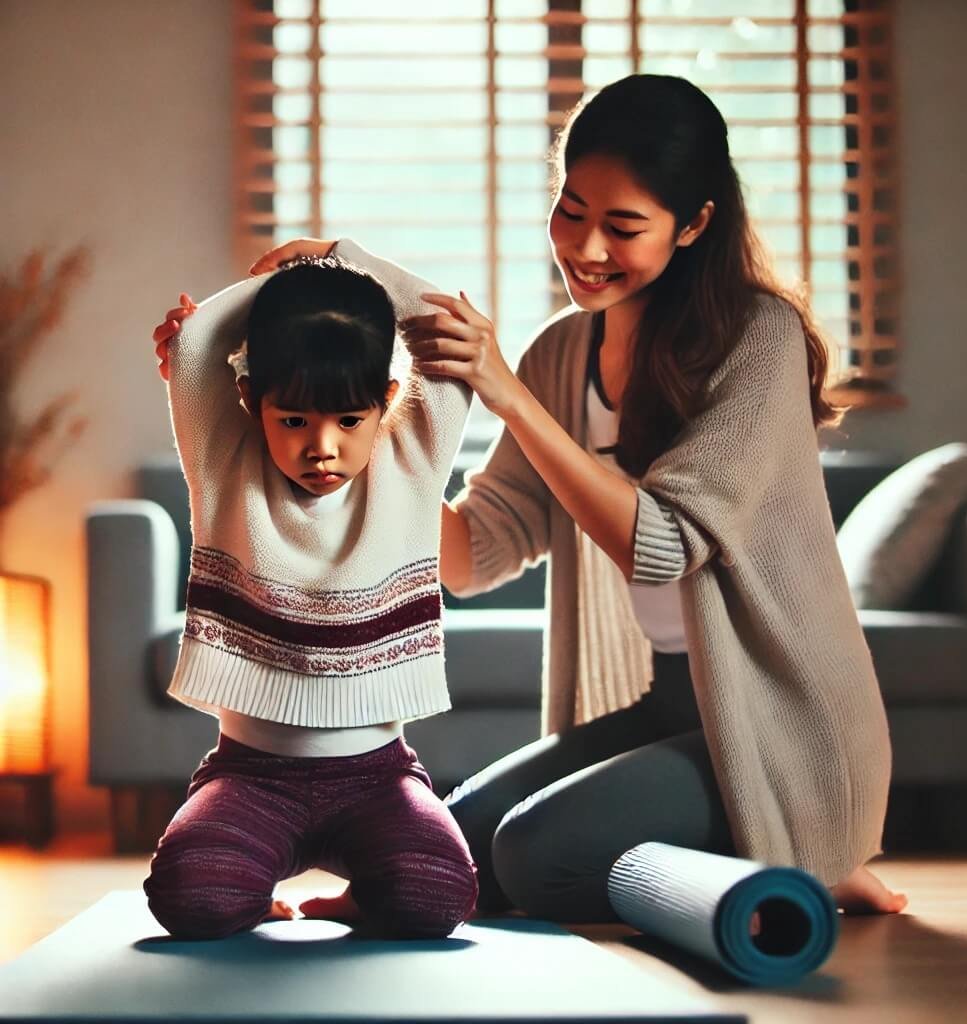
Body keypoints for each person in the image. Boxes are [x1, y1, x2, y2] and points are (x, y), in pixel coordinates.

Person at [153, 74, 906, 923]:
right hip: (665, 704)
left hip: (779, 731)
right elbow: (474, 554)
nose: (584, 246)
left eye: (623, 226)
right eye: (570, 209)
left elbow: (659, 544)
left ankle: (799, 858)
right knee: (466, 835)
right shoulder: (563, 351)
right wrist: (338, 457)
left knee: (531, 855)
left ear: (693, 225)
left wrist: (506, 392)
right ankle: (770, 858)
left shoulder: (755, 340)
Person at [144, 243, 479, 940]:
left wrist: (337, 258)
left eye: (348, 421)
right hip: (251, 779)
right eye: (293, 420)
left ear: (385, 402)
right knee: (191, 896)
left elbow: (445, 325)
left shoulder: (412, 461)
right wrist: (265, 292)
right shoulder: (223, 462)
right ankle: (252, 884)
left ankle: (354, 899)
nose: (321, 446)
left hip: (378, 780)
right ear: (250, 400)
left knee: (437, 896)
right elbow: (199, 340)